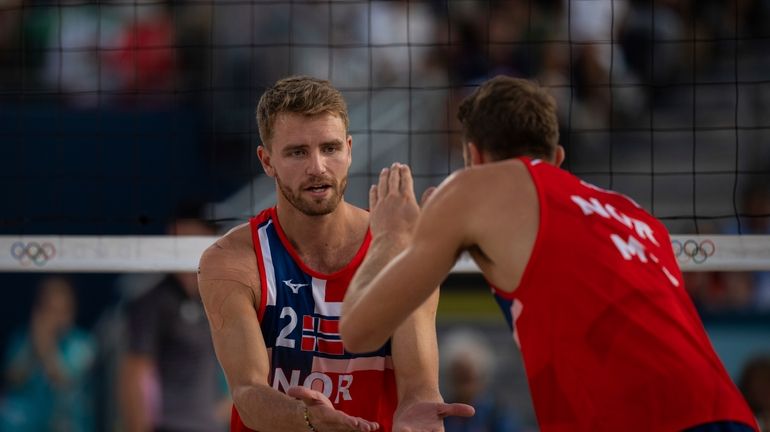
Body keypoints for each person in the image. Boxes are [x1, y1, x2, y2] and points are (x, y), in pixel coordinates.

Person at [340, 75, 759, 432]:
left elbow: (358, 332)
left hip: (636, 418)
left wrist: (390, 237)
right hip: (730, 413)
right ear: (557, 158)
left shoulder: (476, 186)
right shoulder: (640, 219)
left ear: (475, 157)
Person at [197, 76, 473, 432]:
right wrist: (309, 419)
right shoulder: (232, 260)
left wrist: (415, 415)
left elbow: (418, 387)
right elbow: (248, 393)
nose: (318, 167)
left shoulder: (398, 248)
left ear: (349, 149)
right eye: (297, 152)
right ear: (267, 161)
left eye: (330, 148)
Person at [118, 214, 231, 432]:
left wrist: (229, 407)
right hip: (169, 425)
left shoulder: (218, 299)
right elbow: (133, 373)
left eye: (202, 239)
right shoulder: (153, 302)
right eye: (187, 238)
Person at [0, 276, 96, 432]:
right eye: (51, 309)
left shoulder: (82, 342)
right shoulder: (21, 338)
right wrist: (34, 340)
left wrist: (44, 344)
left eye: (64, 310)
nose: (59, 317)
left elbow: (63, 379)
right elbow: (13, 379)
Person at [440, 329, 521, 432]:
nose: (466, 388)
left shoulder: (497, 414)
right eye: (460, 378)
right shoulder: (443, 414)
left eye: (468, 379)